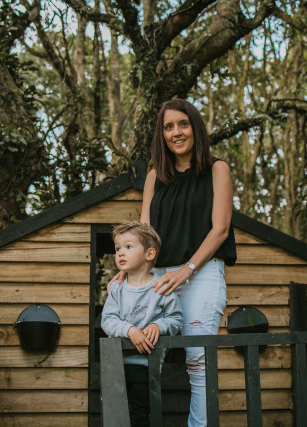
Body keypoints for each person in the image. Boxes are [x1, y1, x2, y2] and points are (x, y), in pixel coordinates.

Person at [111, 98, 237, 426]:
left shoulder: (217, 170)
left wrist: (187, 270)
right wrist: (127, 271)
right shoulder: (155, 176)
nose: (176, 132)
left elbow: (220, 229)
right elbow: (144, 233)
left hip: (201, 274)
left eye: (183, 124)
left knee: (199, 361)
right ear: (161, 135)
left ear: (195, 128)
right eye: (168, 127)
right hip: (156, 276)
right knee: (143, 356)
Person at [101, 221, 183, 427]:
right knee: (116, 416)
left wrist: (158, 326)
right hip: (116, 364)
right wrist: (130, 331)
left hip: (146, 365)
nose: (121, 252)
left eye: (128, 247)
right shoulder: (117, 289)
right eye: (118, 248)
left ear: (149, 254)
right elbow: (108, 320)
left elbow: (176, 319)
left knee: (141, 415)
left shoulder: (162, 287)